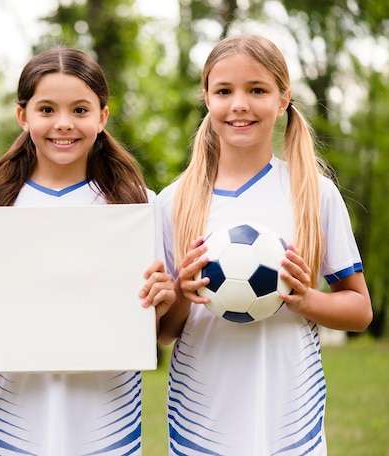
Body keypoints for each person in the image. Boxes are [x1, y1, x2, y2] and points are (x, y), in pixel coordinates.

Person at [0, 47, 176, 455]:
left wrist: (161, 301)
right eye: (47, 109)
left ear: (102, 117)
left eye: (79, 110)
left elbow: (157, 332)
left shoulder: (140, 205)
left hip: (108, 427)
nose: (63, 124)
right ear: (23, 116)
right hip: (11, 428)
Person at [156, 34, 373, 455]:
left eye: (257, 89)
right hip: (202, 424)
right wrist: (182, 293)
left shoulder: (314, 193)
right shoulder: (174, 201)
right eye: (224, 91)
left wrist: (308, 299)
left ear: (283, 99)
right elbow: (165, 333)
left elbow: (360, 311)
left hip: (291, 423)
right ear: (206, 98)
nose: (239, 104)